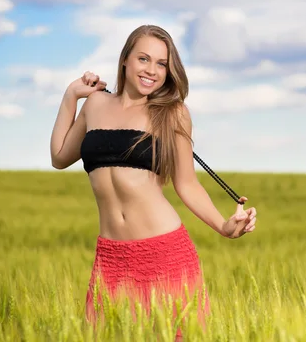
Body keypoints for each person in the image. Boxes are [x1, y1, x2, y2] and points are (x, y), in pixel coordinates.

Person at [49, 24, 257, 338]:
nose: (152, 70)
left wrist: (224, 228)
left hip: (165, 254)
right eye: (143, 59)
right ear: (125, 61)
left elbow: (187, 184)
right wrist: (71, 95)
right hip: (110, 258)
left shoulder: (172, 113)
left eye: (161, 64)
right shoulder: (95, 105)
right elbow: (60, 156)